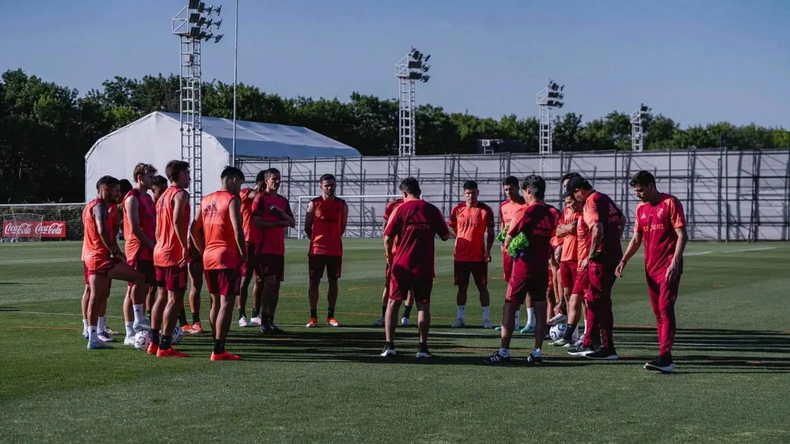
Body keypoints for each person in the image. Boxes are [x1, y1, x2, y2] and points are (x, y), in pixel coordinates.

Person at [617, 171, 687, 373]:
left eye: (640, 190)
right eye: (635, 191)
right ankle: (664, 354)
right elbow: (636, 238)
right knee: (657, 313)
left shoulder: (670, 203)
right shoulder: (641, 209)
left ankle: (665, 356)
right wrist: (624, 260)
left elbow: (682, 235)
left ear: (651, 185)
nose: (637, 195)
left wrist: (675, 262)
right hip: (650, 268)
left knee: (665, 308)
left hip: (668, 266)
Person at [484, 175, 556, 365]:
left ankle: (504, 351)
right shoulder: (550, 213)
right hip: (542, 267)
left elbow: (508, 239)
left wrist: (513, 244)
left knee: (510, 305)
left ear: (528, 191)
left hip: (523, 267)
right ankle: (537, 351)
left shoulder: (525, 212)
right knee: (540, 307)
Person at [381, 178, 450, 358]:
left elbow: (387, 237)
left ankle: (389, 345)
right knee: (423, 305)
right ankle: (422, 348)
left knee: (393, 303)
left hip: (402, 264)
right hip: (424, 266)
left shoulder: (399, 209)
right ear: (419, 191)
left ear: (404, 193)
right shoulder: (432, 210)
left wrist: (389, 256)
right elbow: (445, 236)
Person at [564, 175, 625, 360]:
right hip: (612, 255)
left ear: (579, 191)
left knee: (597, 301)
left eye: (574, 196)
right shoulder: (604, 197)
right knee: (595, 298)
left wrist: (592, 253)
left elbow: (597, 229)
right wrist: (613, 241)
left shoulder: (591, 201)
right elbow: (621, 219)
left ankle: (604, 346)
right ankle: (592, 341)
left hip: (601, 259)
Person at [82, 175, 147, 350]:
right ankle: (139, 321)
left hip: (92, 256)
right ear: (105, 189)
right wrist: (115, 250)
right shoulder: (100, 207)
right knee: (138, 278)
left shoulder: (89, 206)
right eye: (116, 190)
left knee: (96, 297)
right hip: (102, 257)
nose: (119, 194)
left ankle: (93, 336)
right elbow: (102, 230)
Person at [190, 166, 247, 361]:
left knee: (215, 301)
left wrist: (202, 249)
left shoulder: (205, 199)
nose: (240, 188)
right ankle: (219, 348)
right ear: (233, 180)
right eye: (240, 183)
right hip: (226, 256)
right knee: (226, 303)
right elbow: (238, 230)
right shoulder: (232, 199)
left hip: (209, 256)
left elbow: (193, 228)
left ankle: (217, 343)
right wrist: (243, 253)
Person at [150, 160, 191, 358]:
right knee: (175, 301)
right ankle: (165, 346)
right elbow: (176, 220)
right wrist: (185, 246)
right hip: (174, 254)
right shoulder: (181, 194)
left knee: (161, 296)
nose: (190, 177)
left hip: (160, 252)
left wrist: (161, 244)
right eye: (188, 174)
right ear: (181, 175)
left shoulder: (162, 196)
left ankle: (153, 342)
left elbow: (158, 227)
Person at [252, 168, 295, 333]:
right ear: (266, 181)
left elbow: (292, 222)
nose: (277, 181)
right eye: (273, 179)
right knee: (268, 283)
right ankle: (263, 319)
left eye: (278, 179)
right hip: (264, 249)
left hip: (279, 249)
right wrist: (278, 223)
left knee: (276, 285)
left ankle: (271, 320)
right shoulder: (260, 199)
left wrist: (280, 213)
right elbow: (257, 223)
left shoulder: (283, 201)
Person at [449, 180, 495, 329]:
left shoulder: (485, 210)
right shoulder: (457, 209)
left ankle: (486, 319)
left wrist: (488, 251)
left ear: (478, 193)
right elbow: (452, 228)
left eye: (473, 193)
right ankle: (460, 318)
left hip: (478, 256)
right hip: (460, 256)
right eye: (468, 193)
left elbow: (491, 232)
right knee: (462, 288)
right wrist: (459, 239)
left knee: (482, 287)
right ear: (464, 194)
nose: (471, 196)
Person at [304, 174, 349, 327]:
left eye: (332, 185)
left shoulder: (342, 205)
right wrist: (317, 240)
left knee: (333, 282)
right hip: (317, 250)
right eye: (327, 185)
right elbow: (307, 227)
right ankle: (313, 316)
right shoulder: (314, 204)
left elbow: (342, 227)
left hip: (335, 249)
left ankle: (331, 316)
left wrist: (332, 238)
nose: (330, 188)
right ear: (320, 186)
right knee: (314, 282)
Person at [121, 163, 157, 345]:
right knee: (133, 287)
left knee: (142, 287)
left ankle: (137, 322)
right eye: (149, 176)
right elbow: (135, 228)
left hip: (149, 248)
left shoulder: (148, 198)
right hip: (137, 249)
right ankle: (130, 329)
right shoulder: (132, 198)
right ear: (140, 177)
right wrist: (152, 245)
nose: (152, 180)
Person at [373, 196, 415, 327]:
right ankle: (384, 316)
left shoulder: (417, 206)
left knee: (411, 286)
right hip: (395, 253)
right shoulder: (393, 206)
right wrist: (388, 251)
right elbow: (386, 231)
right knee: (388, 285)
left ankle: (406, 317)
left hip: (411, 253)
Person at [495, 176, 526, 333]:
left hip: (522, 250)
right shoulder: (503, 206)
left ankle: (529, 320)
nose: (508, 192)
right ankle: (513, 320)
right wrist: (503, 241)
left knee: (523, 284)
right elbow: (503, 225)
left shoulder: (525, 204)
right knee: (511, 283)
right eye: (506, 189)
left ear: (518, 188)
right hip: (508, 250)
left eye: (511, 189)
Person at [237, 171, 266, 328]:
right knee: (245, 279)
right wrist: (259, 189)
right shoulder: (246, 192)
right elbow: (253, 195)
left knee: (261, 278)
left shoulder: (267, 199)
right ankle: (241, 314)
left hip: (262, 242)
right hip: (248, 241)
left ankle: (256, 313)